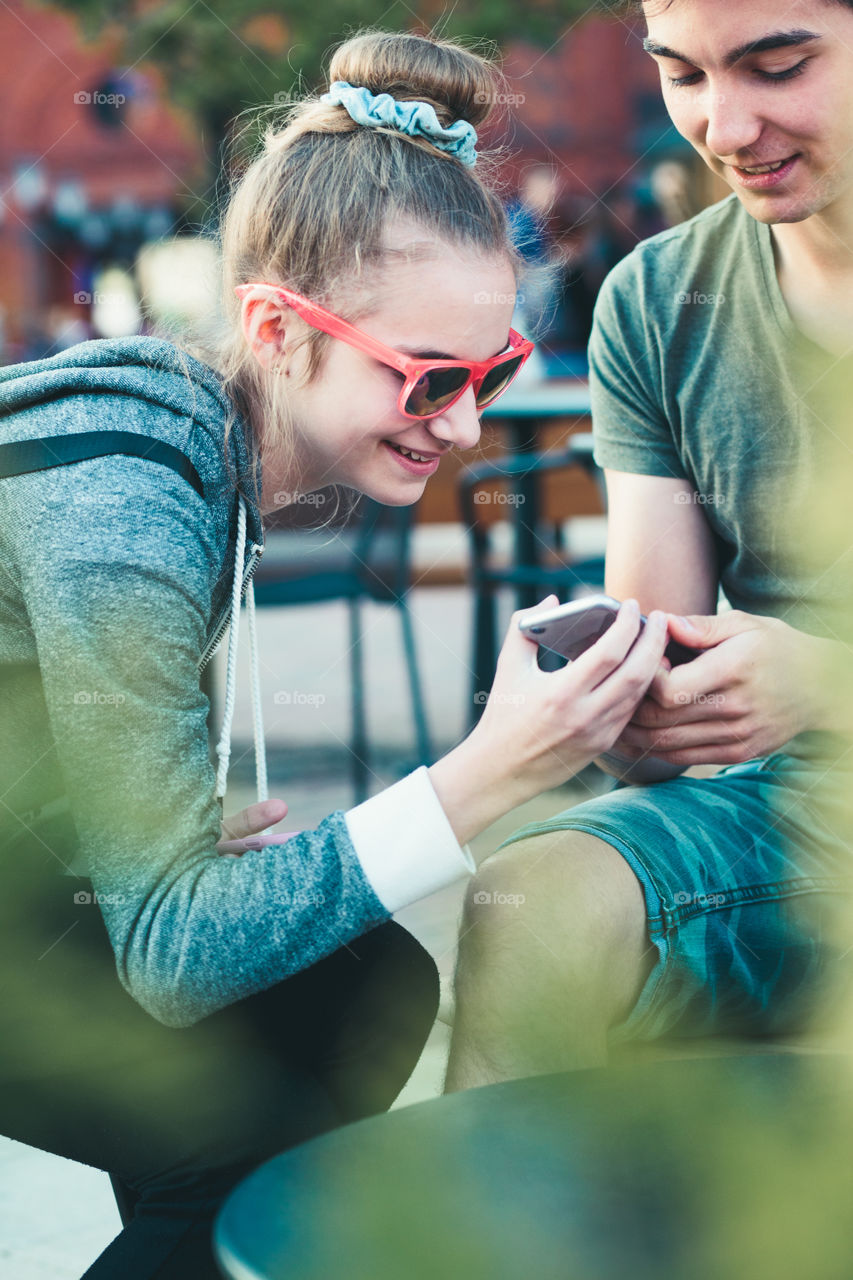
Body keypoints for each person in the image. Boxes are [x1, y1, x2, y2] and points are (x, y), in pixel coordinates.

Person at [0, 30, 671, 1280]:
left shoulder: (189, 445)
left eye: (493, 370)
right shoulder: (127, 497)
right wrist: (500, 765)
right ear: (275, 324)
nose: (466, 422)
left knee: (343, 993)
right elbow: (174, 956)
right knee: (273, 1058)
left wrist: (145, 839)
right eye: (427, 380)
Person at [445, 0, 853, 1091]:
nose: (721, 127)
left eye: (776, 66)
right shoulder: (659, 298)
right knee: (526, 902)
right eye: (682, 74)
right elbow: (658, 661)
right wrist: (621, 696)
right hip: (793, 813)